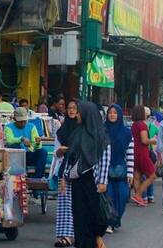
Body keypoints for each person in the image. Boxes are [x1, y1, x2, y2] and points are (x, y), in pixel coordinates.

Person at [63, 101, 111, 248]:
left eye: (79, 112)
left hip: (94, 181)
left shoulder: (100, 135)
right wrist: (65, 176)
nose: (76, 115)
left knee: (94, 217)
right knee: (79, 216)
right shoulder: (77, 133)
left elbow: (105, 158)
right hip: (78, 181)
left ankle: (95, 240)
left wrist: (102, 181)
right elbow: (71, 157)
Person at [53, 100, 80, 246]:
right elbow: (56, 155)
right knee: (64, 203)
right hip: (64, 170)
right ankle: (63, 234)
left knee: (76, 203)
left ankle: (72, 235)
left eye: (74, 108)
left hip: (80, 171)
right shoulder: (61, 131)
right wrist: (60, 151)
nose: (71, 110)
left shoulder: (83, 129)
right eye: (69, 108)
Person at [104, 104, 132, 232]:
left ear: (119, 115)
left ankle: (115, 219)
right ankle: (109, 222)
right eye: (110, 112)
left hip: (121, 169)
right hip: (105, 170)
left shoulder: (126, 132)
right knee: (108, 196)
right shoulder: (102, 130)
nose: (112, 115)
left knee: (122, 195)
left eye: (115, 113)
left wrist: (130, 173)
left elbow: (130, 153)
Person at [129, 106, 159, 206]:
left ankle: (139, 198)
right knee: (152, 175)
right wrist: (154, 140)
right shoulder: (142, 125)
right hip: (142, 153)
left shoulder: (133, 125)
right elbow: (144, 140)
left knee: (137, 176)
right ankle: (138, 194)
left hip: (134, 153)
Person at [4, 107, 46, 178]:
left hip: (28, 154)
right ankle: (22, 176)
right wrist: (21, 139)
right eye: (20, 121)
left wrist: (37, 144)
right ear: (14, 119)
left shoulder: (31, 126)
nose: (23, 123)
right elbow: (9, 140)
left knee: (42, 152)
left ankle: (37, 178)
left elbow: (36, 147)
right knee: (15, 146)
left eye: (24, 121)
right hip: (16, 157)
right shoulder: (8, 127)